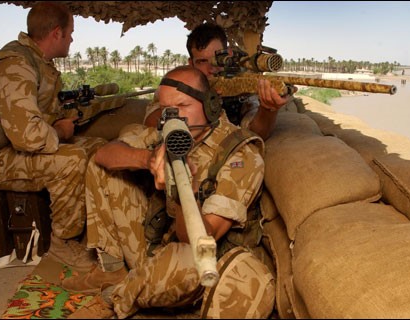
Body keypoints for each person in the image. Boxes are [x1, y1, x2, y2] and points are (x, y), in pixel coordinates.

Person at [63, 65, 274, 318]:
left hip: (197, 261)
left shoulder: (241, 154)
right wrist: (148, 159)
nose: (172, 116)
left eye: (182, 106)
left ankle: (117, 297)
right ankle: (113, 270)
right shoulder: (166, 133)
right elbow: (104, 154)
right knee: (103, 169)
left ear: (211, 105)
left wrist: (183, 188)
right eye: (165, 109)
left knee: (193, 260)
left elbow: (200, 238)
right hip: (157, 245)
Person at [0, 1, 106, 271]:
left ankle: (92, 227)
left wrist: (61, 119)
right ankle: (62, 243)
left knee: (97, 147)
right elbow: (28, 136)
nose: (72, 38)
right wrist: (61, 130)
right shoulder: (15, 65)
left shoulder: (37, 62)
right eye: (70, 32)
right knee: (73, 160)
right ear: (56, 33)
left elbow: (34, 116)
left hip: (11, 148)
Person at [144, 22, 290, 141]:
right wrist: (199, 102)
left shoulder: (240, 81)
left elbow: (256, 132)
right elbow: (149, 122)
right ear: (191, 63)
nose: (211, 68)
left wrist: (268, 109)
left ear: (229, 55)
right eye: (202, 61)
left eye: (217, 59)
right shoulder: (179, 82)